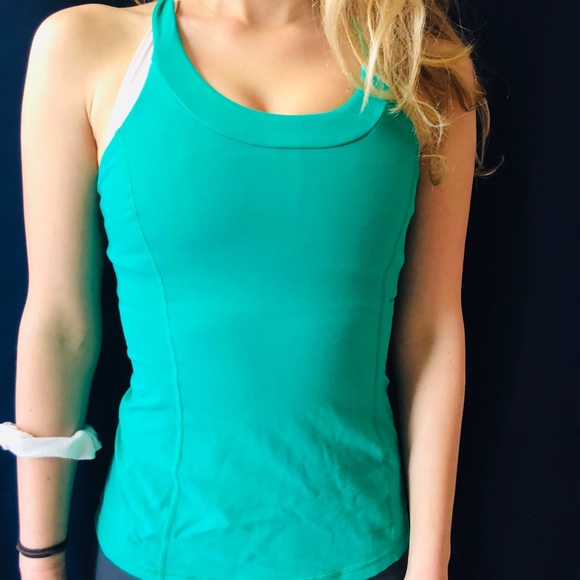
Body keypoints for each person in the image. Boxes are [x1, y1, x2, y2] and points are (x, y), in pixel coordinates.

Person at [1, 0, 492, 578]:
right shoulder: (88, 48)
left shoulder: (419, 64)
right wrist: (40, 562)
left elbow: (431, 330)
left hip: (363, 553)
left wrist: (432, 564)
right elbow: (60, 326)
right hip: (154, 551)